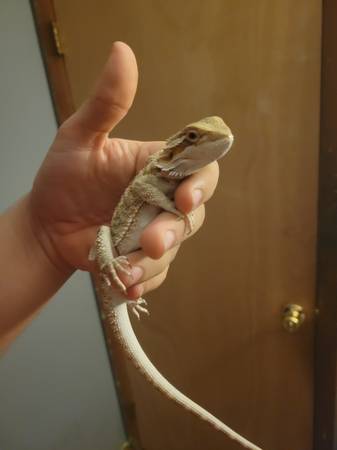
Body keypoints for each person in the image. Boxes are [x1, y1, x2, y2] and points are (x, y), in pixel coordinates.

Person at [0, 42, 220, 350]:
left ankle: (126, 292)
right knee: (113, 239)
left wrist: (40, 235)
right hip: (111, 246)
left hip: (111, 253)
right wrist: (171, 205)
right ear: (179, 147)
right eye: (194, 138)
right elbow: (144, 189)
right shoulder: (154, 174)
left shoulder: (170, 176)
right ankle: (124, 288)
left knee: (140, 258)